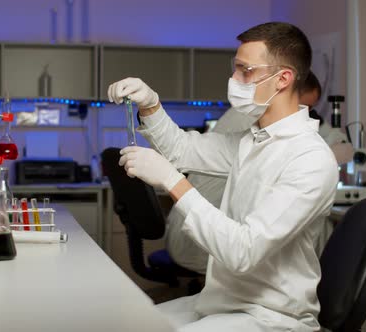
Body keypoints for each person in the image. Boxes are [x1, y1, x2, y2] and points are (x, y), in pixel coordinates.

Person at [108, 22, 338, 332]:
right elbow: (181, 149)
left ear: (282, 78)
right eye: (235, 69)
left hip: (270, 317)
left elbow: (243, 252)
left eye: (246, 71)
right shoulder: (252, 140)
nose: (235, 80)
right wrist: (151, 104)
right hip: (219, 303)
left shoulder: (309, 159)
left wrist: (173, 181)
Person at [164, 71, 349, 275]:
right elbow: (244, 250)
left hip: (192, 231)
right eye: (304, 106)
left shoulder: (254, 117)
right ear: (287, 90)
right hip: (203, 242)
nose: (306, 114)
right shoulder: (260, 126)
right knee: (317, 234)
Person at [301, 71, 354, 164]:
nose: (306, 112)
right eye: (303, 106)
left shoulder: (312, 118)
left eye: (310, 107)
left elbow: (345, 148)